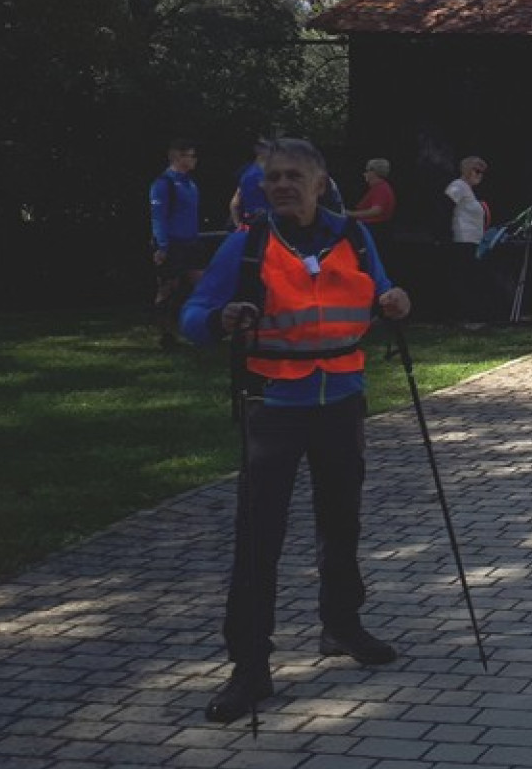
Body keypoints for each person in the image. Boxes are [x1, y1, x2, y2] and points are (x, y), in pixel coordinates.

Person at [180, 137, 410, 724]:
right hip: (273, 404)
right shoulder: (248, 244)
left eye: (292, 177)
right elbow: (193, 315)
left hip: (343, 399)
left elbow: (381, 288)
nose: (280, 186)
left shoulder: (354, 235)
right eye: (272, 178)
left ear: (319, 183)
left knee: (343, 523)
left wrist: (394, 300)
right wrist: (218, 318)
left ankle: (342, 625)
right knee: (259, 537)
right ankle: (250, 669)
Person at [149, 139, 204, 349]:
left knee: (202, 285)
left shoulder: (190, 184)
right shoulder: (164, 183)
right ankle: (165, 334)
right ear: (178, 158)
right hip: (172, 243)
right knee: (167, 288)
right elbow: (158, 216)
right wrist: (161, 246)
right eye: (191, 155)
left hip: (191, 243)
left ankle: (198, 328)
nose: (194, 160)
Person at [444, 156, 489, 327]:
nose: (479, 175)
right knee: (464, 280)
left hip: (473, 241)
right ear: (466, 170)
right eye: (476, 171)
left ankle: (469, 316)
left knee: (471, 279)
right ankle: (462, 318)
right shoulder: (458, 186)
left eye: (481, 172)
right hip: (461, 240)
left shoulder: (469, 190)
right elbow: (445, 206)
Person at [346, 158, 396, 243]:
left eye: (367, 170)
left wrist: (350, 214)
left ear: (373, 172)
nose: (364, 174)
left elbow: (376, 211)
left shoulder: (381, 189)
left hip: (374, 231)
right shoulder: (378, 188)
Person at [228, 137, 272, 228]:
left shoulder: (246, 173)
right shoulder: (261, 174)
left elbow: (234, 204)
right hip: (266, 223)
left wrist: (238, 225)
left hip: (248, 222)